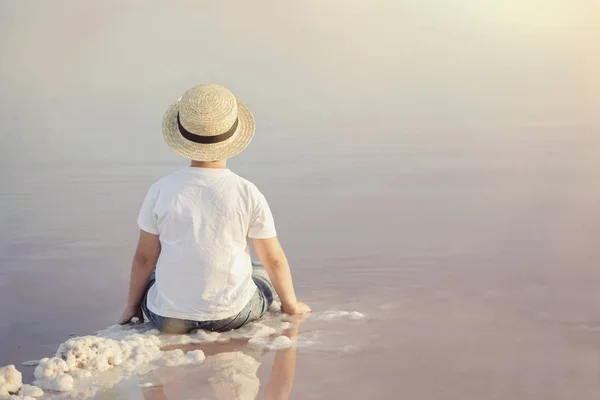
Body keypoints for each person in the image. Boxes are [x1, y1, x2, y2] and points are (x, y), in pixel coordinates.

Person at [118, 84, 310, 333]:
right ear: (233, 137)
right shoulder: (247, 191)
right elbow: (274, 258)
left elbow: (144, 257)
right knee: (260, 270)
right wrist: (290, 304)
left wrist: (132, 306)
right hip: (231, 314)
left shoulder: (160, 189)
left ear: (182, 135)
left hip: (167, 318)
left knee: (155, 269)